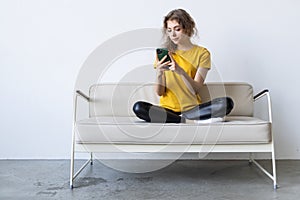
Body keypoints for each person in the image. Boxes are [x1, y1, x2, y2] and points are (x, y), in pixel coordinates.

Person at [133, 8, 233, 123]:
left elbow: (194, 89)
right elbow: (160, 92)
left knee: (226, 103)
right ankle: (184, 120)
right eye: (169, 30)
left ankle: (180, 119)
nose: (173, 34)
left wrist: (180, 71)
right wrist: (159, 73)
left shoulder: (202, 53)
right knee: (138, 107)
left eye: (177, 29)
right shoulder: (165, 53)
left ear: (187, 28)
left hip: (193, 109)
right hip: (168, 110)